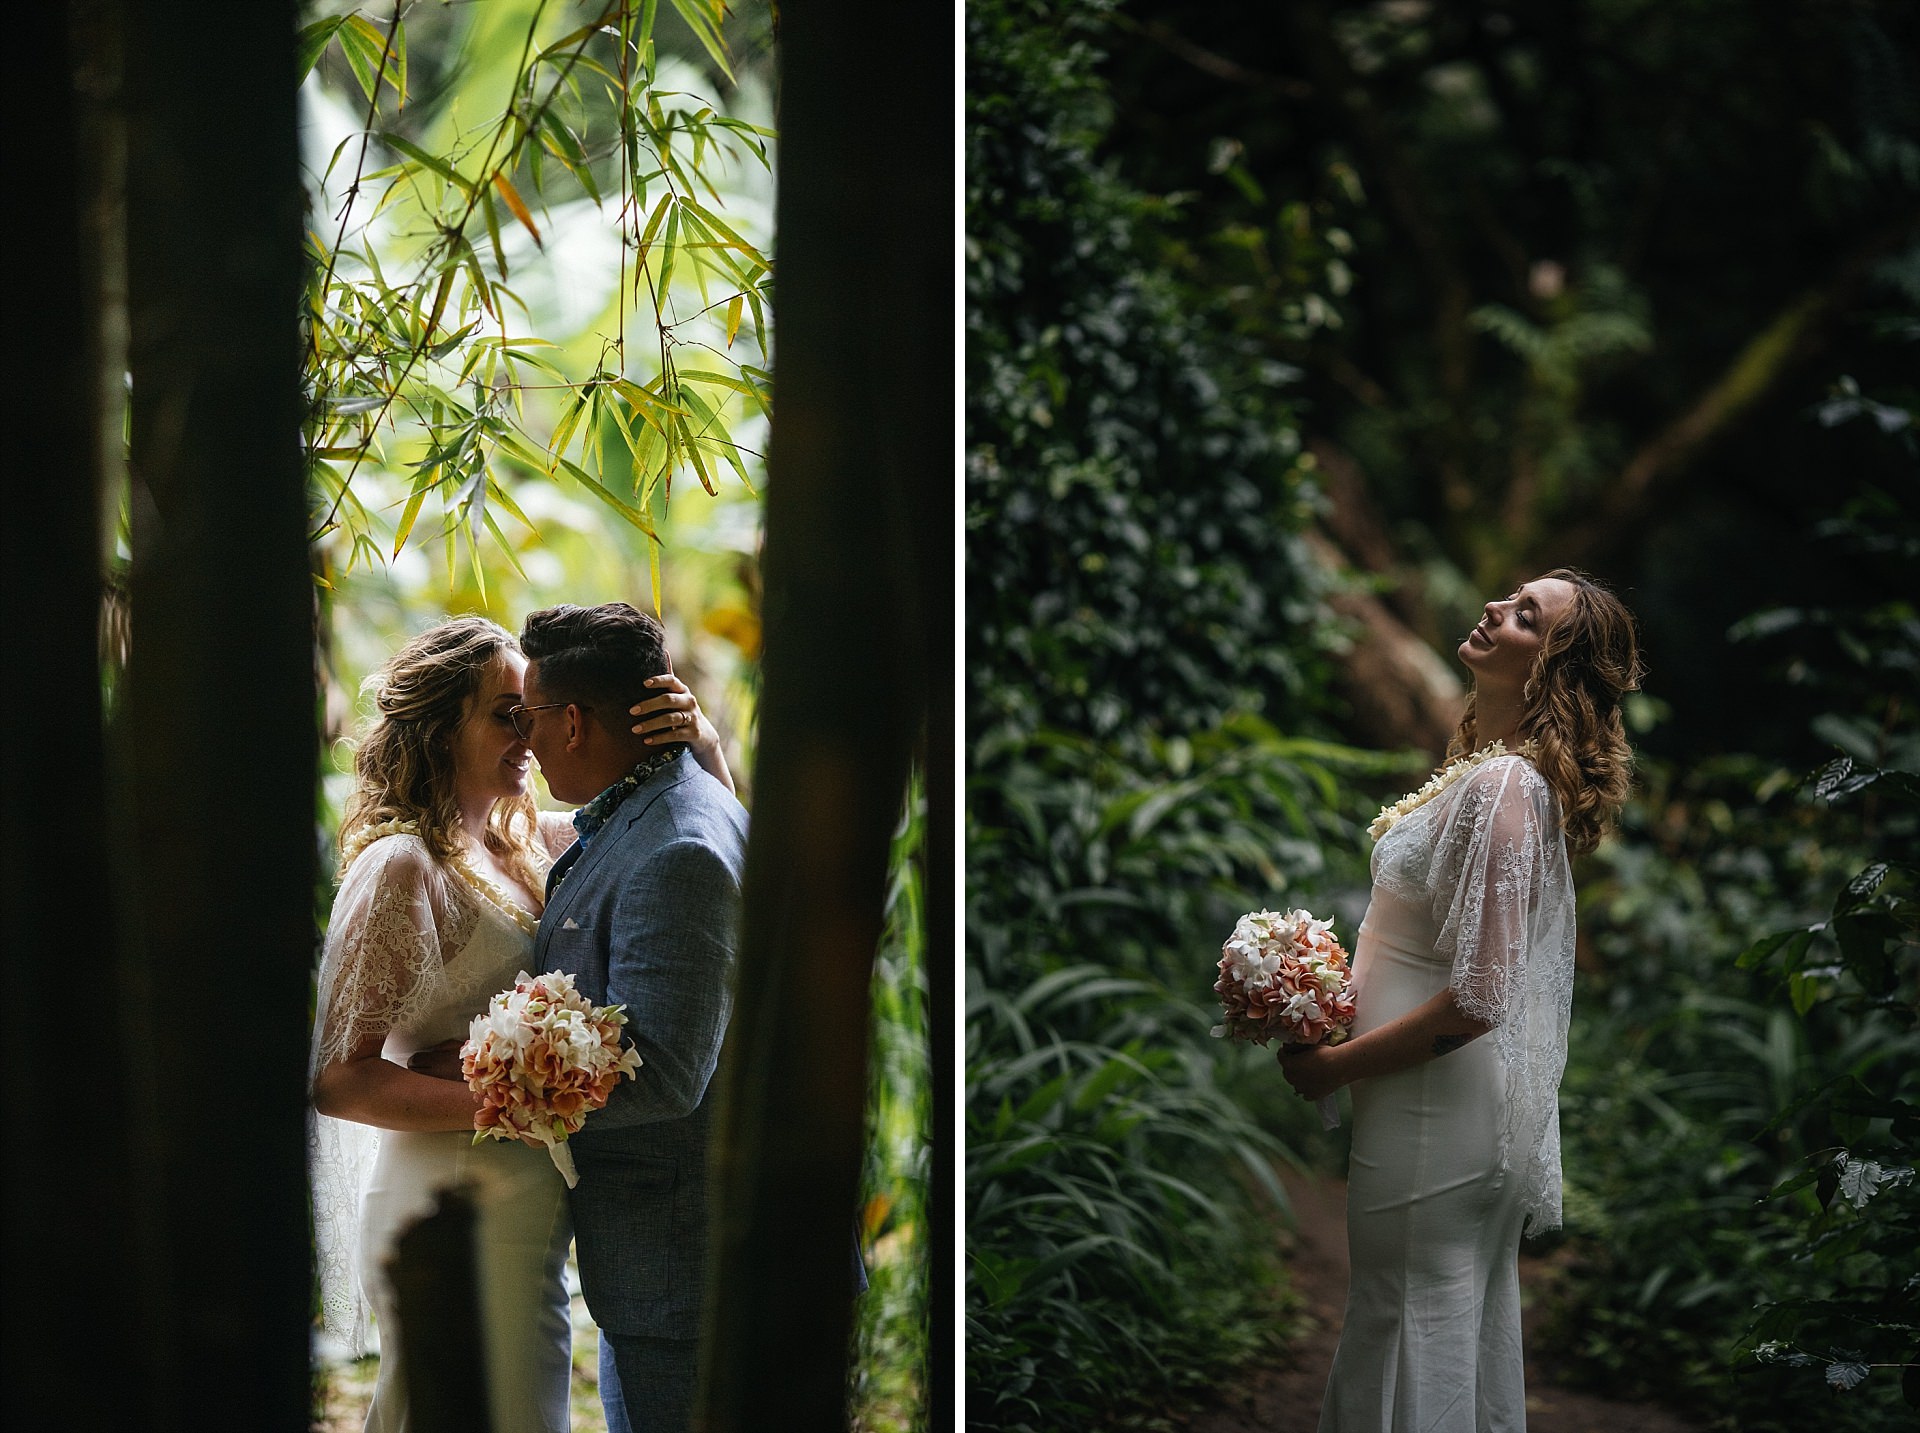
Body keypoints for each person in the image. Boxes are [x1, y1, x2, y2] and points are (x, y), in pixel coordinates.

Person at [307, 613, 734, 1432]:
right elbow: (338, 1077)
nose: (529, 734)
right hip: (451, 1194)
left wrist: (702, 748)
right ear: (440, 728)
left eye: (531, 711)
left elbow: (695, 847)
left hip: (531, 1194)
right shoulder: (402, 866)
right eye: (506, 713)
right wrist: (505, 1098)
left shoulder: (533, 842)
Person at [1277, 567, 1643, 1433]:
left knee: (1404, 1317)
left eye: (1526, 616)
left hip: (1437, 1109)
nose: (1493, 609)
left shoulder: (1507, 789)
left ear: (1553, 669)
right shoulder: (1490, 774)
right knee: (1416, 1315)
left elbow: (1479, 996)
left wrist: (1332, 1064)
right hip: (1430, 1103)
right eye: (1509, 596)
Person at [510, 601, 751, 1433]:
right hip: (661, 1261)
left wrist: (502, 1094)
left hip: (685, 1272)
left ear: (572, 721)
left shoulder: (677, 847)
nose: (524, 739)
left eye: (528, 716)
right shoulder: (656, 803)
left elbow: (666, 1072)